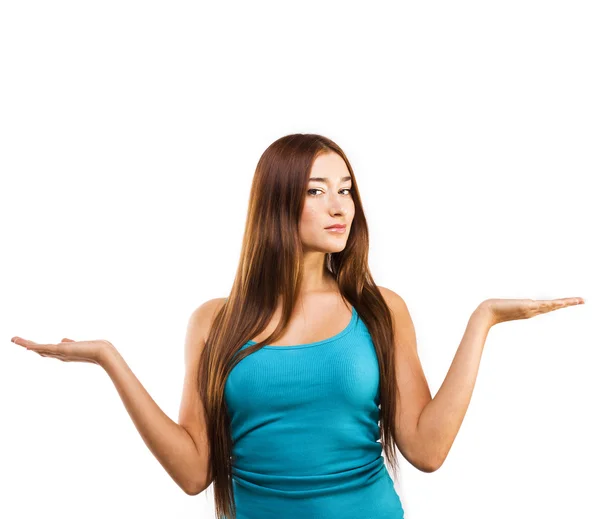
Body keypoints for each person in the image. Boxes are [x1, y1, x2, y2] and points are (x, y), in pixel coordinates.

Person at [10, 133, 585, 519]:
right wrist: (111, 359)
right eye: (316, 191)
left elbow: (427, 450)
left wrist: (482, 320)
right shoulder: (216, 321)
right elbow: (193, 473)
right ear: (278, 204)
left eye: (346, 189)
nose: (340, 206)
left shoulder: (380, 309)